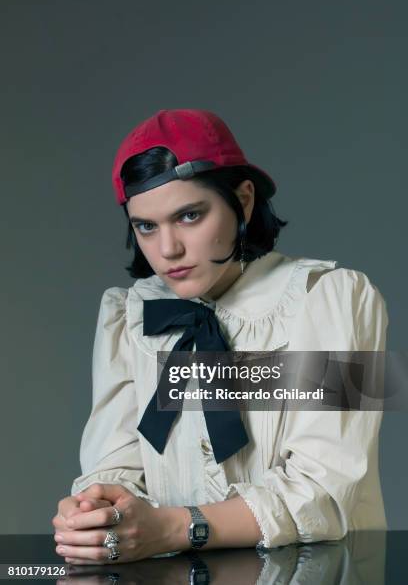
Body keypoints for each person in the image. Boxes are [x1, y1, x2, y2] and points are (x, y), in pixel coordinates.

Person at [52, 109, 388, 565]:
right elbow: (118, 466)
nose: (167, 249)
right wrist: (98, 512)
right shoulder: (129, 315)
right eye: (145, 226)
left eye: (189, 215)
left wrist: (174, 527)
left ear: (243, 200)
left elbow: (326, 492)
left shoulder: (335, 298)